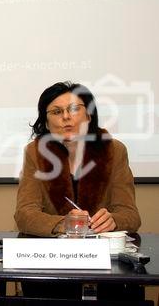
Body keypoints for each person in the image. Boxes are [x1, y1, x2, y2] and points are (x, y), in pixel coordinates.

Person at [15, 81, 142, 300]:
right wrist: (62, 223)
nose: (66, 117)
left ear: (89, 116)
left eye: (74, 109)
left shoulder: (114, 150)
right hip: (52, 265)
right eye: (56, 111)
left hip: (105, 267)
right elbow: (25, 214)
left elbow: (131, 216)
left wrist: (114, 220)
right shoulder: (36, 152)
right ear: (46, 122)